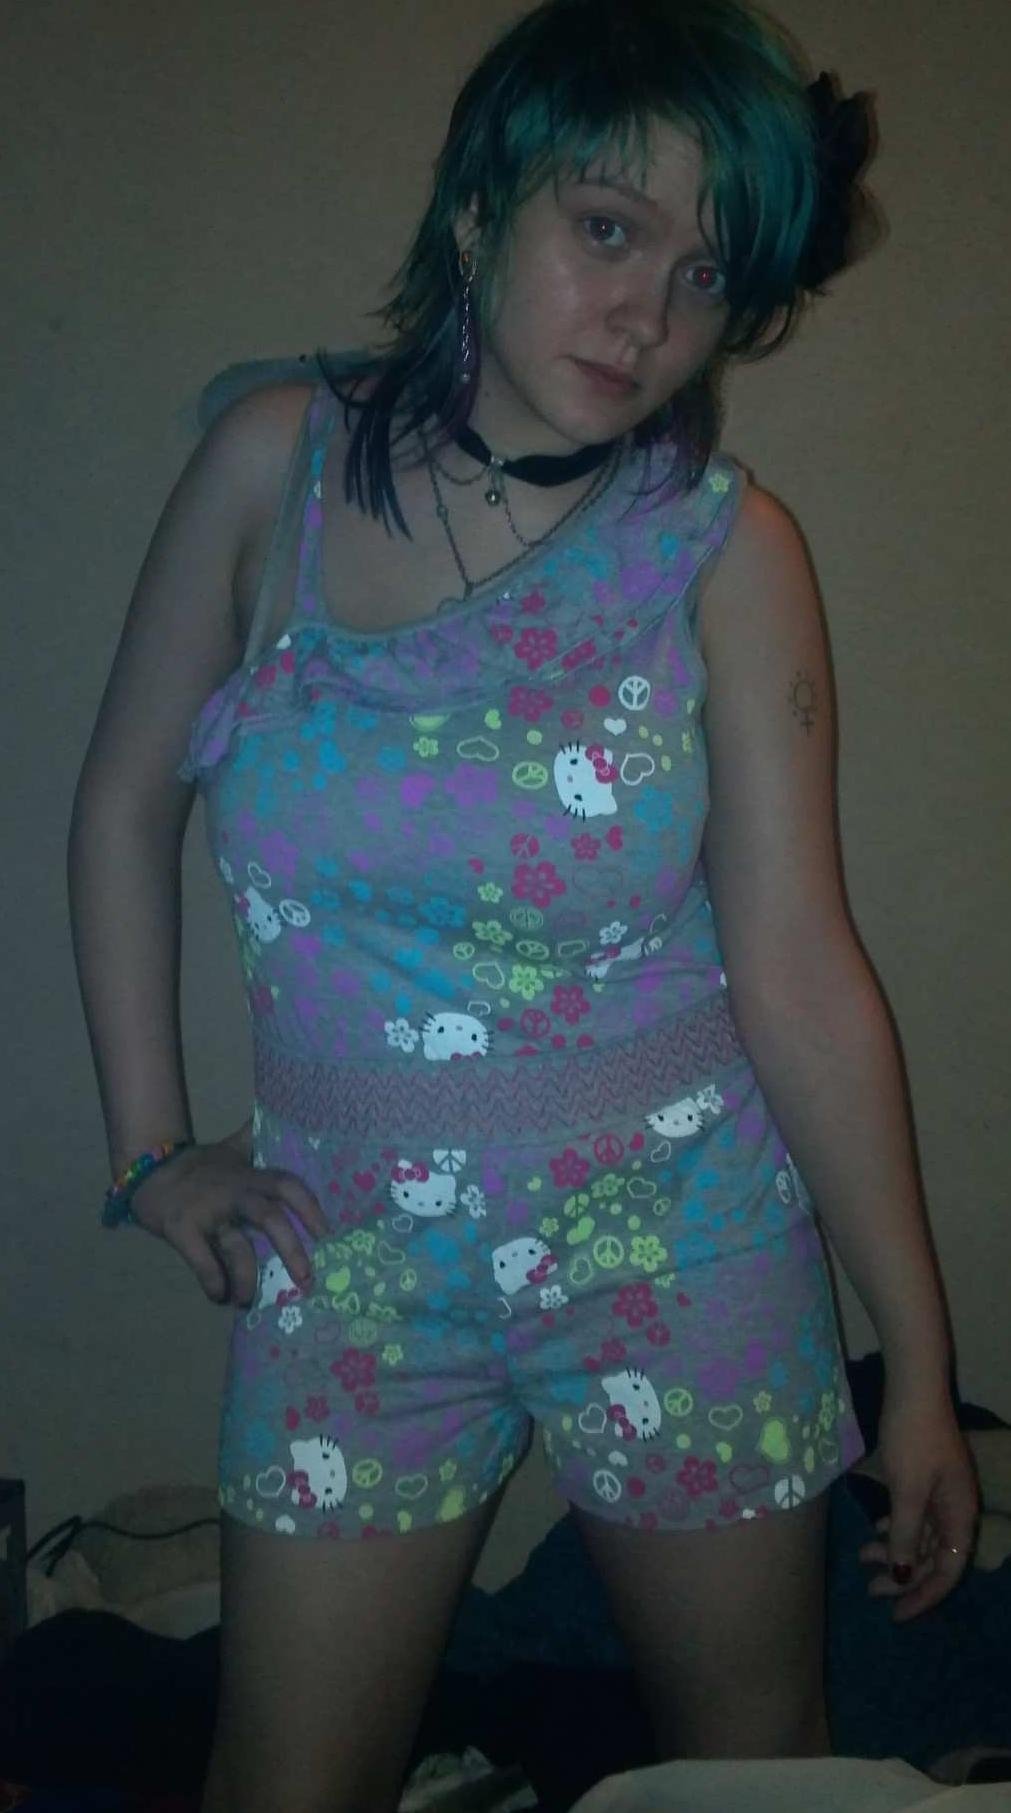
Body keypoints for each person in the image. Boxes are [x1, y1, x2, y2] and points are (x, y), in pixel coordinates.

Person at [67, 2, 981, 1810]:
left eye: (705, 273)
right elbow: (119, 804)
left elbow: (801, 971)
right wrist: (152, 1149)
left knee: (746, 1782)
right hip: (348, 1261)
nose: (648, 315)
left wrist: (925, 1369)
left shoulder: (727, 546)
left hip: (686, 1245)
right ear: (482, 211)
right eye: (609, 228)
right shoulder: (273, 464)